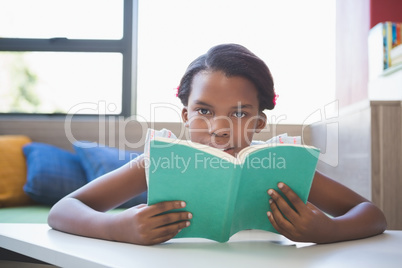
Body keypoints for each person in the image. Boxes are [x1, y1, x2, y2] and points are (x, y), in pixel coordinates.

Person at [48, 44, 387, 245]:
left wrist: (328, 229)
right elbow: (62, 210)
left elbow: (372, 215)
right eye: (204, 111)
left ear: (259, 121)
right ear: (184, 115)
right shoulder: (158, 162)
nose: (219, 129)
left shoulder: (282, 166)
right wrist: (116, 226)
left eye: (239, 114)